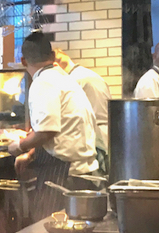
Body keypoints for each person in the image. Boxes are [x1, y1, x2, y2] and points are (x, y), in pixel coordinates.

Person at [8, 31, 98, 218]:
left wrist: (18, 147)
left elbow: (47, 131)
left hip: (64, 176)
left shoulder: (43, 82)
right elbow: (61, 128)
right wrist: (31, 155)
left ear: (24, 61)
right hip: (83, 174)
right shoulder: (66, 79)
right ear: (53, 56)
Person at [56, 49, 111, 171]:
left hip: (94, 138)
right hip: (106, 135)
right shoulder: (91, 75)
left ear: (57, 64)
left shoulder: (73, 80)